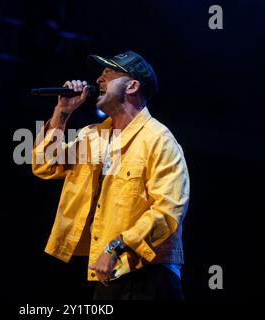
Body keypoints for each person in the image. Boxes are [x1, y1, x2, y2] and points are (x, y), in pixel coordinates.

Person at [32, 50, 190, 300]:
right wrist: (61, 113)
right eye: (100, 74)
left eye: (109, 73)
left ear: (132, 86)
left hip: (149, 276)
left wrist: (117, 247)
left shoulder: (159, 140)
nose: (99, 80)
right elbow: (45, 165)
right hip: (108, 275)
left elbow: (168, 210)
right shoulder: (91, 136)